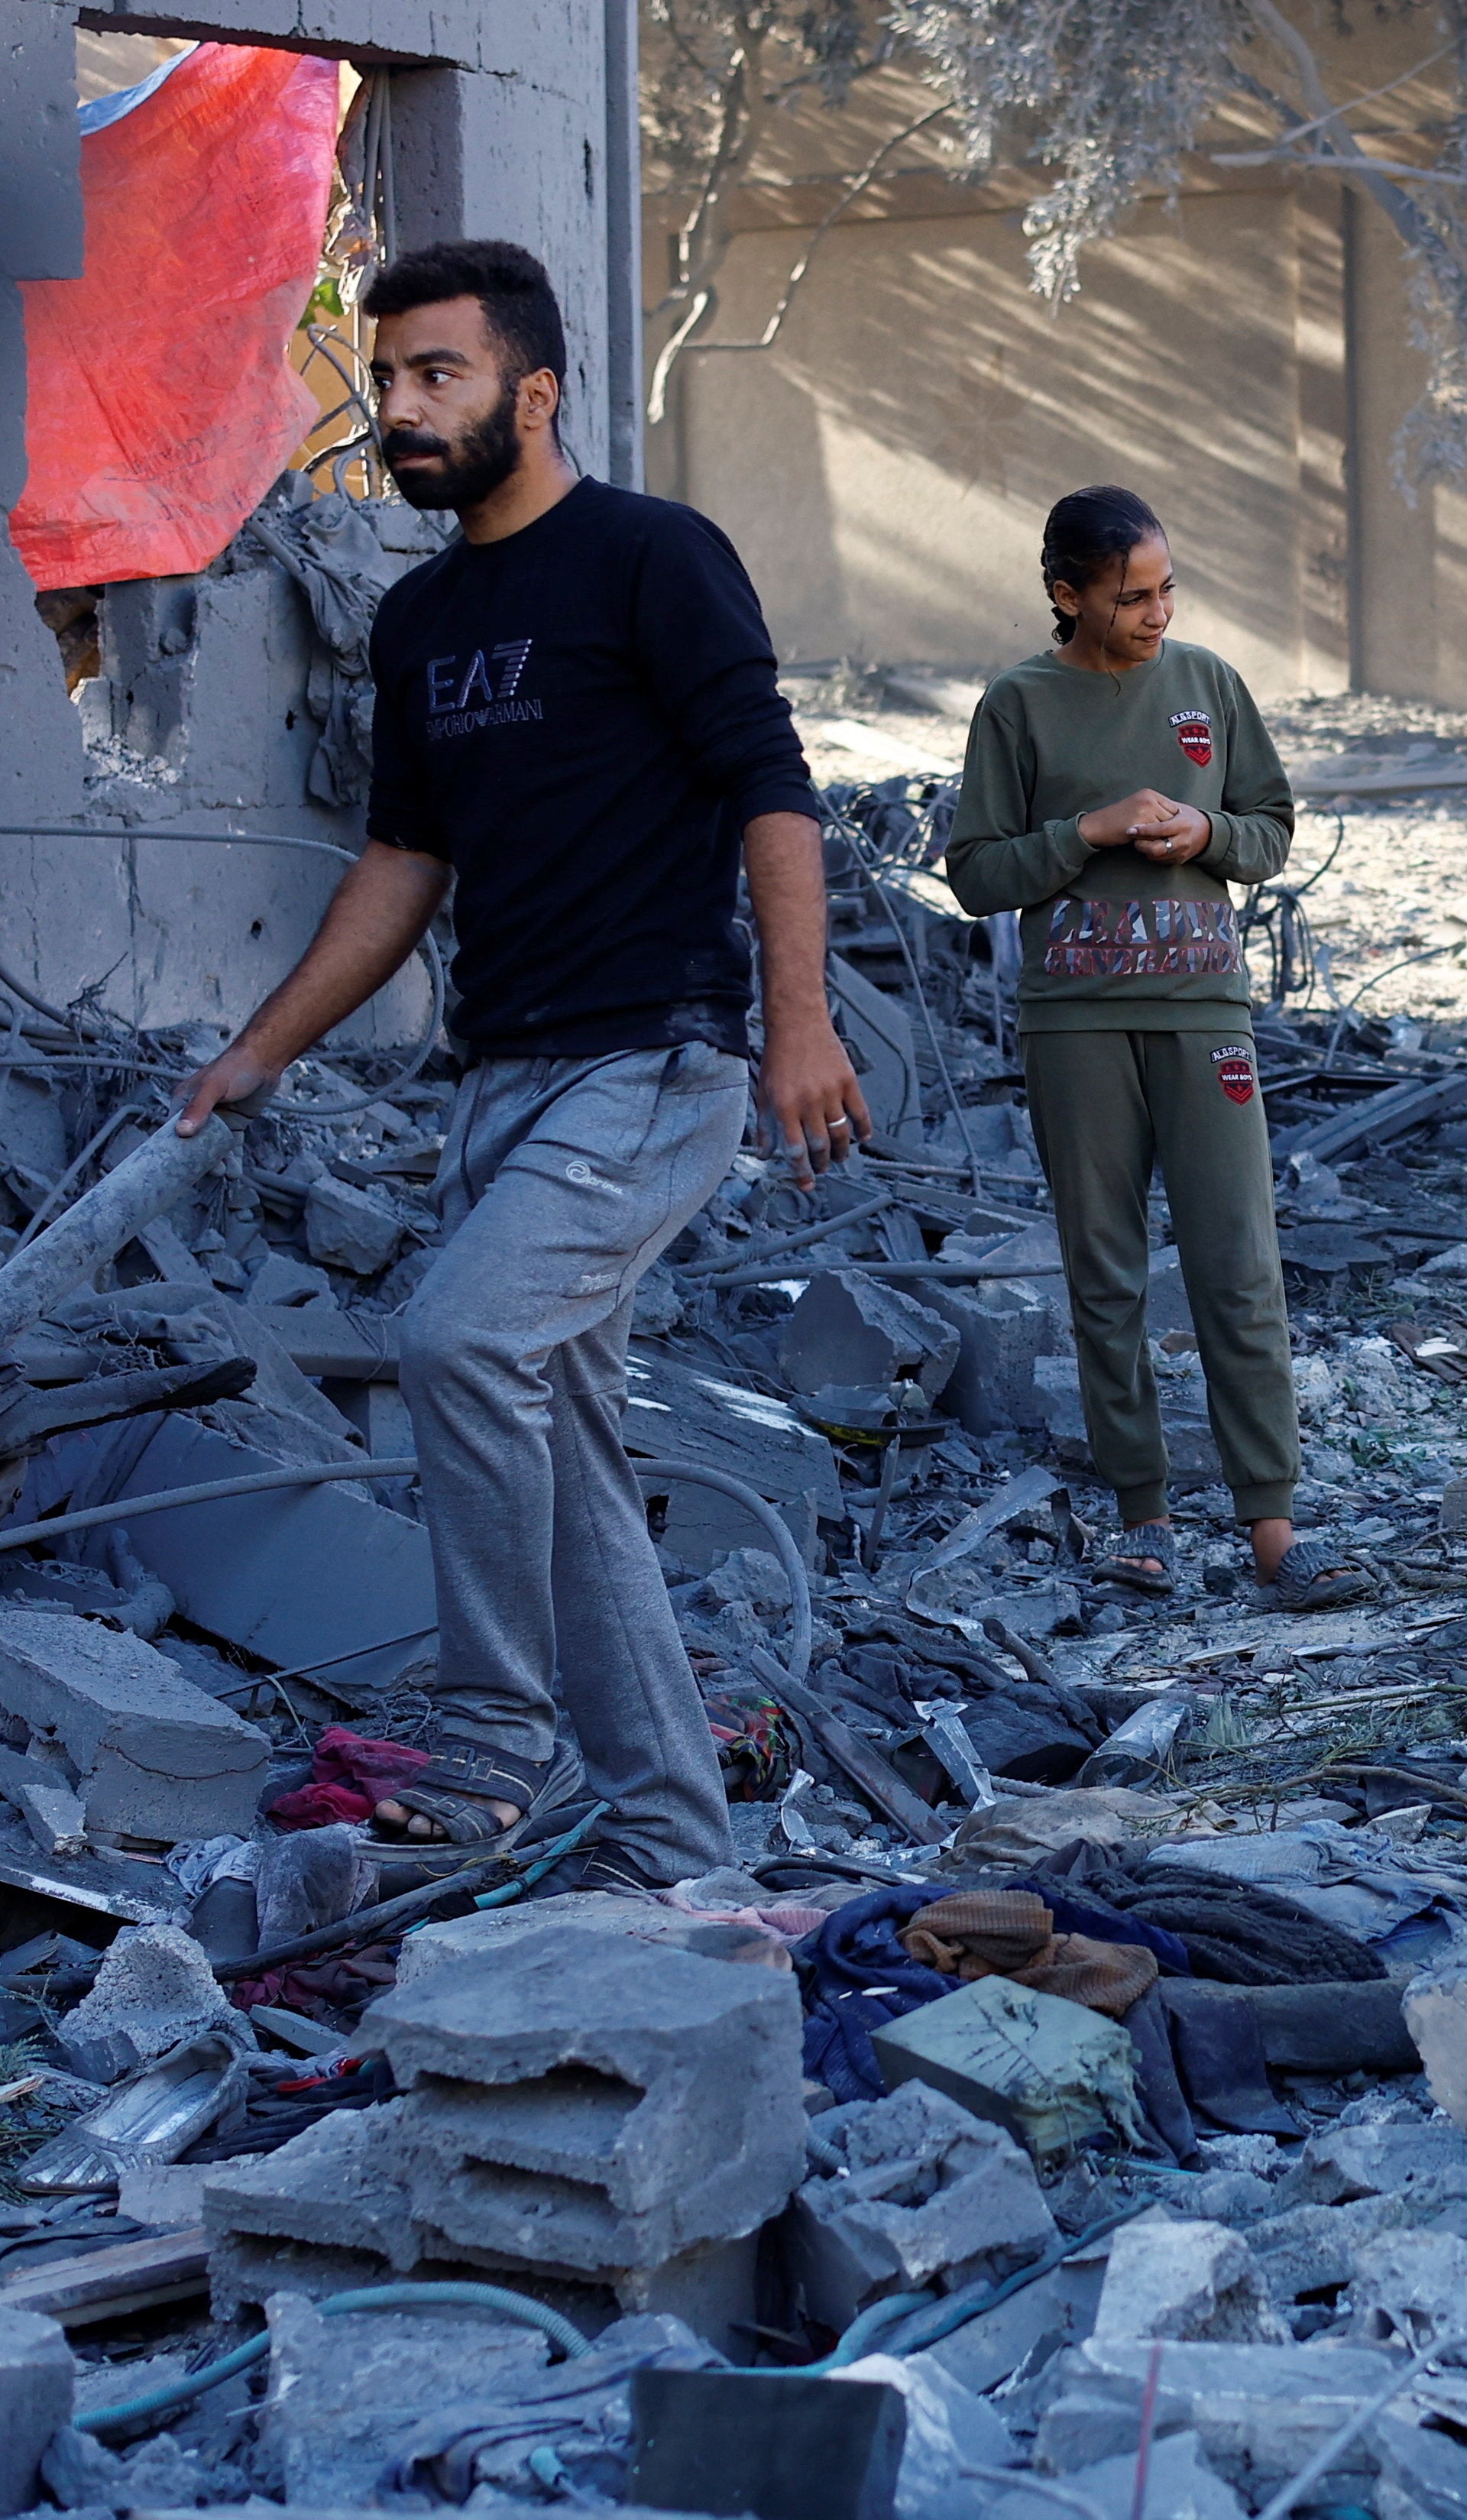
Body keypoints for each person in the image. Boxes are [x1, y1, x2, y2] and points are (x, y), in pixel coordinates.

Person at [174, 239, 857, 1890]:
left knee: (457, 1335)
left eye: (438, 376)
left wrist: (803, 1017)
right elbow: (404, 864)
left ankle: (489, 1723)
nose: (401, 409)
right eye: (389, 377)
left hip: (651, 1061)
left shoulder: (649, 559)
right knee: (567, 1472)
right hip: (505, 1084)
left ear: (533, 392)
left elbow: (772, 788)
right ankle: (681, 1847)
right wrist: (254, 1053)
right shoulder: (420, 619)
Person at [944, 489, 1346, 1608]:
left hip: (1202, 1010)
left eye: (1167, 588)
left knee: (1238, 1266)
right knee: (1106, 1274)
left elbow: (1269, 827)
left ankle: (1275, 1530)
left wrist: (1206, 831)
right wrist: (1089, 831)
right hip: (1075, 1024)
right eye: (1130, 596)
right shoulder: (1017, 706)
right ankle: (1146, 1518)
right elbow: (975, 872)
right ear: (1067, 594)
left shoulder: (1209, 686)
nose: (1157, 611)